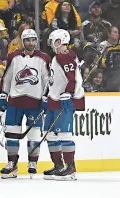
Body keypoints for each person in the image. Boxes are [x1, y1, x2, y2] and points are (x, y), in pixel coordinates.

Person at [0, 29, 51, 179]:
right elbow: (7, 78)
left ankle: (32, 163)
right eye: (27, 40)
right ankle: (12, 164)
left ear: (36, 41)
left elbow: (48, 81)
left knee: (34, 134)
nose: (31, 43)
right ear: (22, 41)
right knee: (12, 134)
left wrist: (46, 98)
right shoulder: (13, 57)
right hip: (15, 101)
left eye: (33, 40)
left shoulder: (44, 58)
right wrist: (3, 94)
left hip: (35, 102)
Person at [44, 29, 85, 181]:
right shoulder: (57, 58)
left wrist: (68, 93)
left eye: (53, 42)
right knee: (49, 134)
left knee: (64, 134)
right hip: (54, 100)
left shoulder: (66, 56)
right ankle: (59, 166)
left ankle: (70, 168)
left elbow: (72, 78)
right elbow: (54, 80)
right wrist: (46, 96)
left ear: (59, 41)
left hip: (65, 100)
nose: (52, 45)